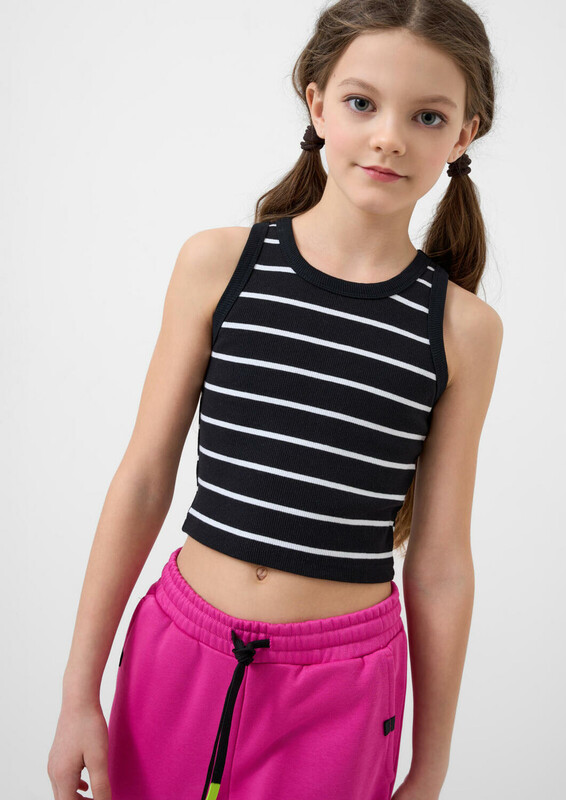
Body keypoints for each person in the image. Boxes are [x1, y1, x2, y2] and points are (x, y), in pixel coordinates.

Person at [47, 1, 503, 798]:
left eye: (427, 116)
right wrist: (77, 693)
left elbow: (439, 564)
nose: (389, 137)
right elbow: (145, 480)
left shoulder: (461, 329)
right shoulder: (220, 265)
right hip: (178, 653)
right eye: (362, 103)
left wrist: (430, 768)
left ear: (464, 134)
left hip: (341, 690)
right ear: (317, 102)